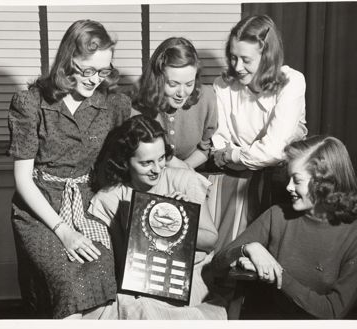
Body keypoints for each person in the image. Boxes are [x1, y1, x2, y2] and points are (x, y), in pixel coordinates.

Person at [7, 19, 131, 319]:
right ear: (68, 61)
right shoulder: (31, 103)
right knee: (63, 280)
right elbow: (23, 179)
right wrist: (64, 232)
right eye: (88, 70)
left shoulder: (115, 104)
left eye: (104, 71)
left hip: (90, 204)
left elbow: (135, 149)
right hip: (39, 209)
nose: (96, 79)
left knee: (103, 271)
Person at [211, 135, 357, 319]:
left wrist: (278, 274)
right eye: (289, 178)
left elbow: (332, 311)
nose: (288, 187)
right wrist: (249, 248)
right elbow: (217, 264)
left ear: (325, 184)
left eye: (297, 180)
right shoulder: (277, 215)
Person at [87, 115, 227, 319]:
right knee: (132, 308)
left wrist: (179, 219)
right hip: (141, 284)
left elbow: (210, 241)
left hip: (188, 281)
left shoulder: (184, 181)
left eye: (161, 158)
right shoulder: (109, 198)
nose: (157, 169)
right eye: (146, 163)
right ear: (125, 162)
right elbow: (118, 266)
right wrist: (144, 225)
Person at [208, 14, 308, 251]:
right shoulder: (221, 85)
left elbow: (273, 152)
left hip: (281, 175)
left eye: (246, 59)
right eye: (233, 57)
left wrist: (234, 155)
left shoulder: (292, 81)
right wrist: (240, 156)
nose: (237, 67)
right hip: (238, 175)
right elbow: (219, 145)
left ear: (268, 58)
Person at [132, 37, 218, 170]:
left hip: (195, 172)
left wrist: (185, 169)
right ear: (157, 79)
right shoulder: (138, 106)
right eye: (173, 84)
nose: (182, 93)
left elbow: (206, 146)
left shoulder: (207, 98)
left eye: (189, 84)